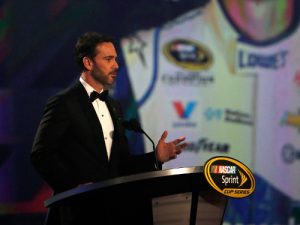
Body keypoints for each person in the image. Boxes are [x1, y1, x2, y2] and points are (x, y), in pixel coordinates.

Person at [31, 32, 187, 225]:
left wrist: (155, 157)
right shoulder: (64, 103)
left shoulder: (114, 106)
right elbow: (41, 154)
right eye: (108, 59)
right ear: (88, 63)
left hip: (111, 213)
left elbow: (121, 164)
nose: (116, 65)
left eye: (116, 59)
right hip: (76, 213)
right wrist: (73, 188)